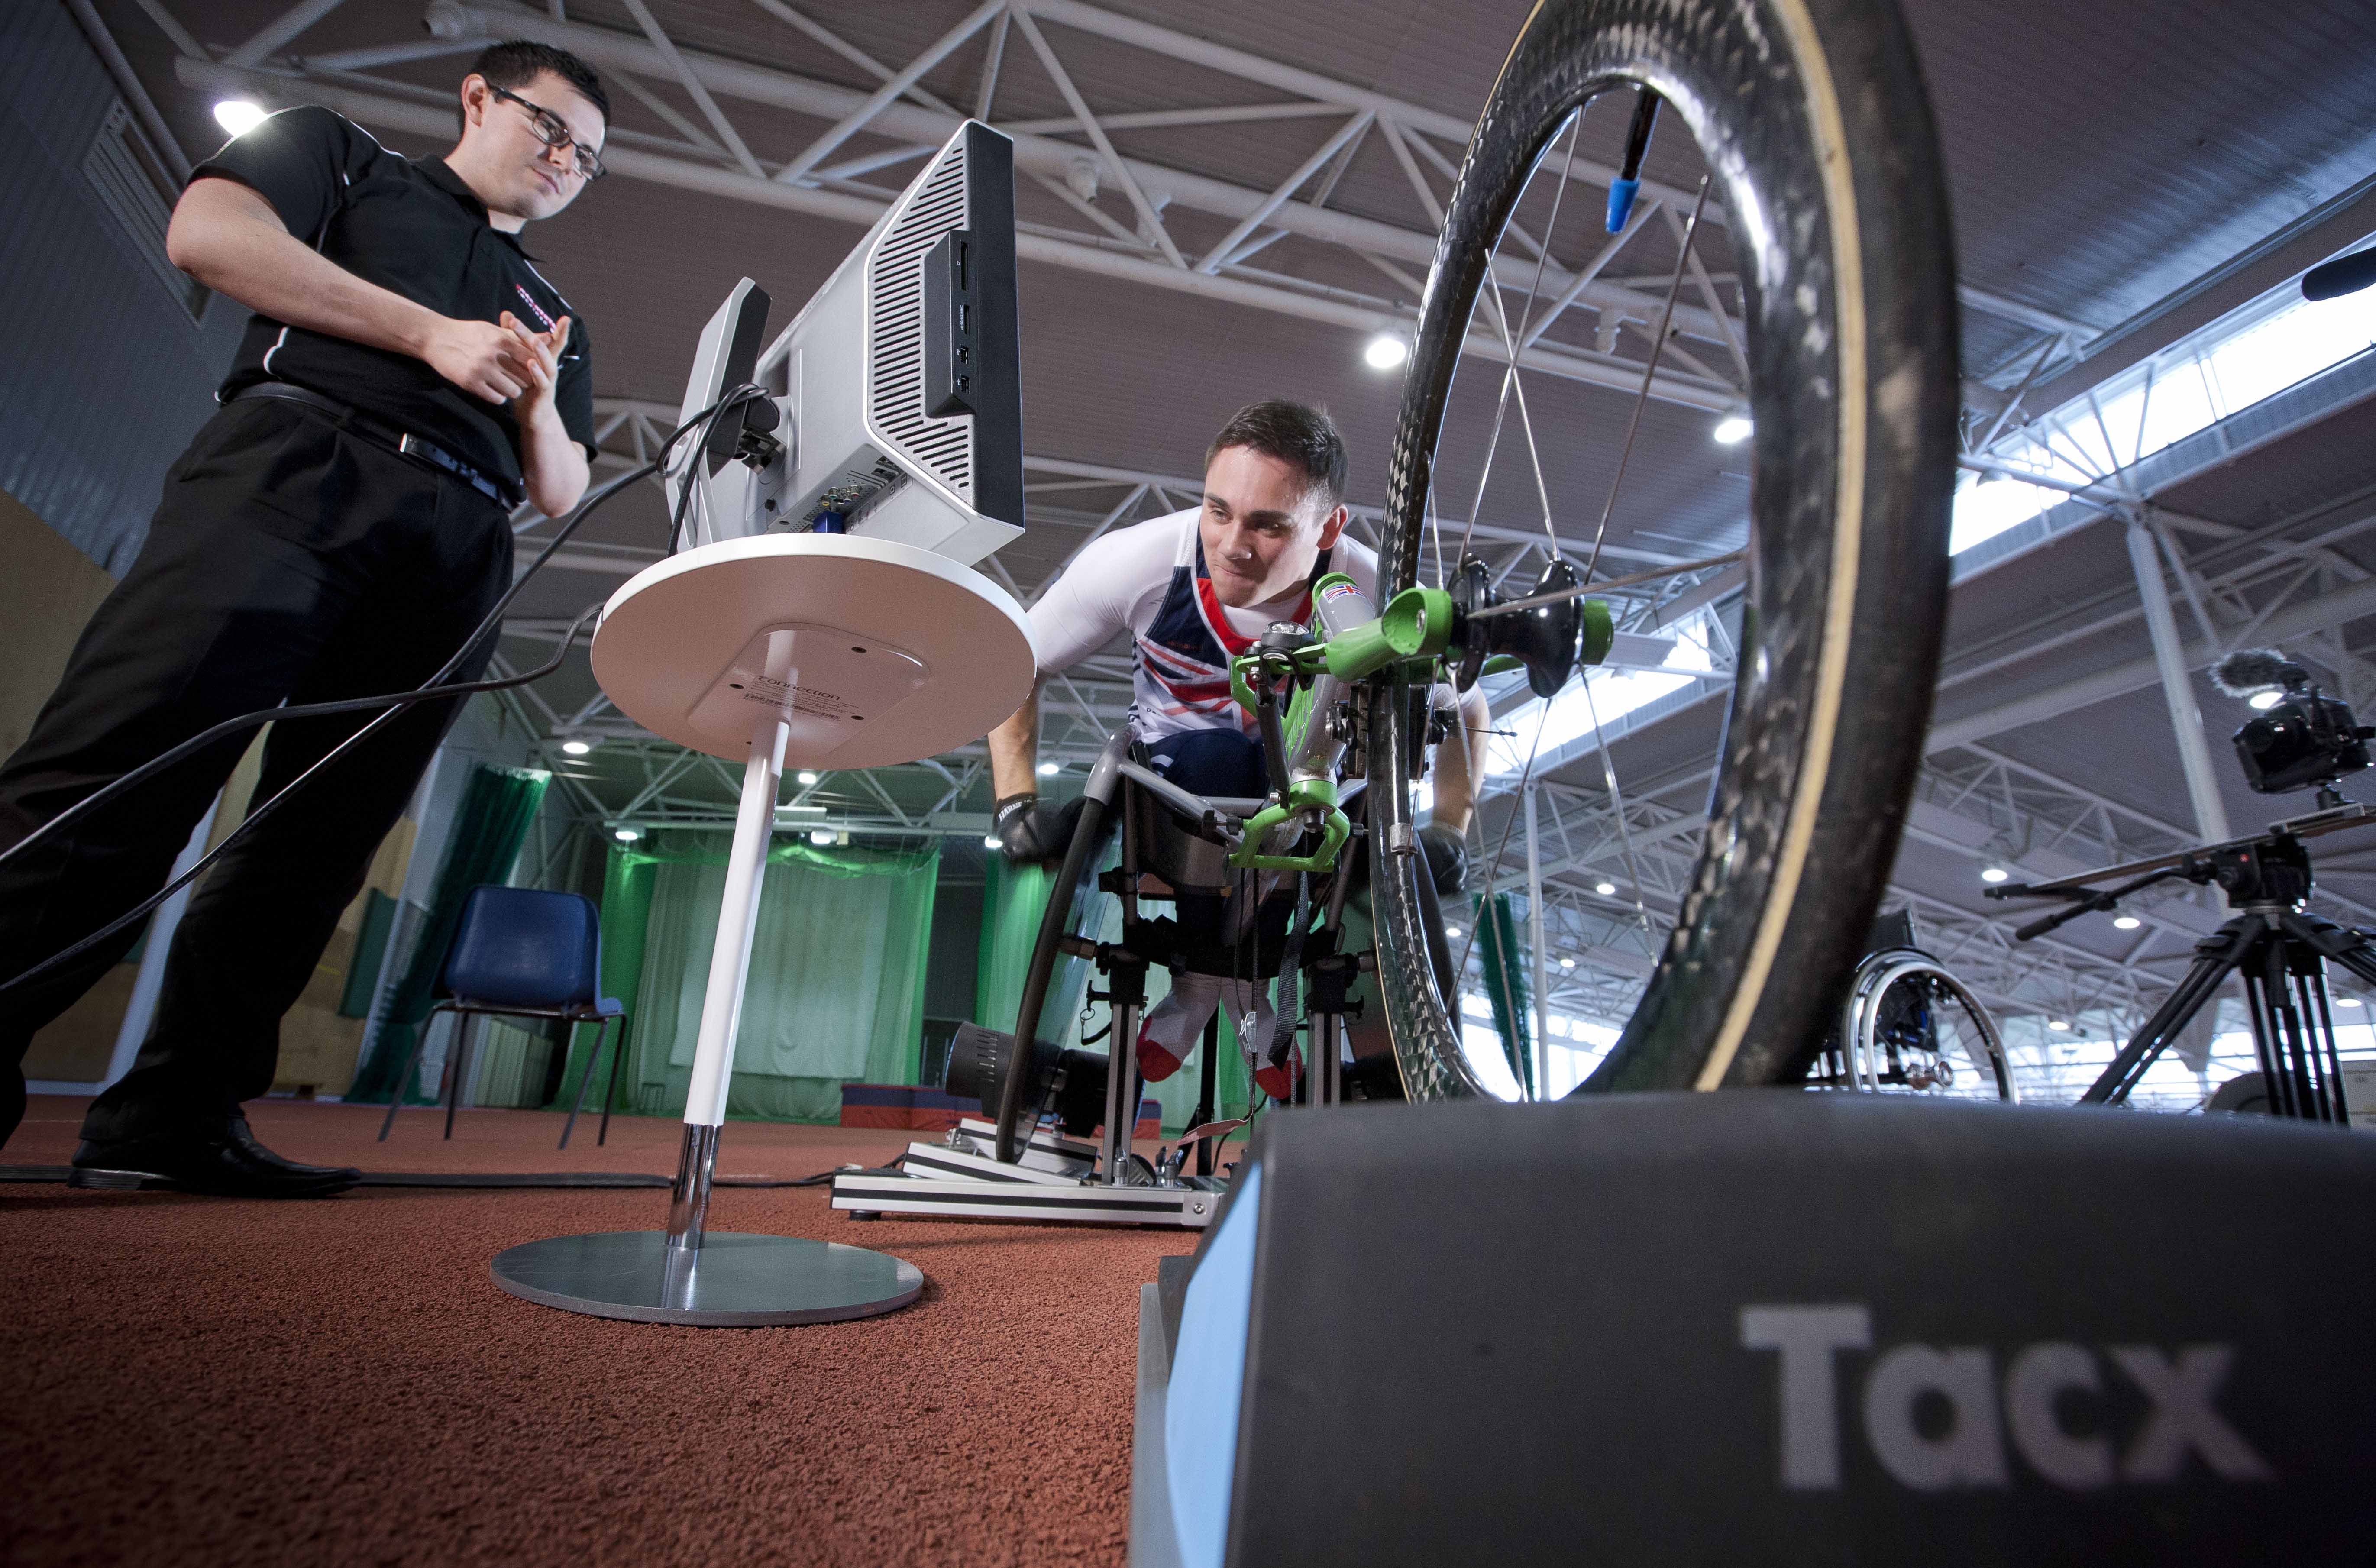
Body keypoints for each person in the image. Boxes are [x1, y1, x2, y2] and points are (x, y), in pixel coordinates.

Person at [0, 42, 611, 1195]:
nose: (567, 163)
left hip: (459, 547)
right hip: (297, 470)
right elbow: (212, 239)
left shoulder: (551, 312)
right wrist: (428, 332)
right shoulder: (342, 158)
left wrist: (536, 399)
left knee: (316, 841)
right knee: (120, 769)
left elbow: (564, 487)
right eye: (553, 129)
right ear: (479, 98)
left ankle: (172, 1111)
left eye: (588, 158)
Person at [985, 401, 1487, 1099]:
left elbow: (1465, 702)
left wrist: (1448, 827)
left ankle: (1201, 993)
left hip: (1313, 810)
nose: (1233, 543)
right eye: (1218, 511)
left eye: (1268, 524)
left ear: (1329, 527)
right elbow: (1014, 662)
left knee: (1310, 785)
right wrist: (1015, 801)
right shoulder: (1141, 561)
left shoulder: (1374, 592)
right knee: (1220, 755)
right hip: (1172, 802)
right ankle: (1236, 994)